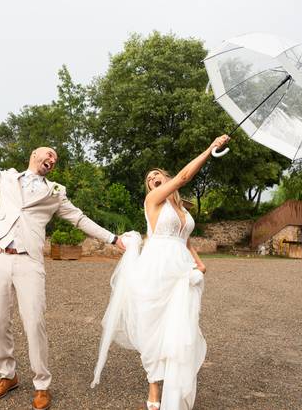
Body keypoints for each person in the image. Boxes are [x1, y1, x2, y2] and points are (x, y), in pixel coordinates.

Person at [0, 127, 125, 410]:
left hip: (29, 261)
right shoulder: (6, 178)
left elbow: (80, 219)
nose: (52, 159)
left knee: (34, 322)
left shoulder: (56, 192)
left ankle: (42, 384)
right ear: (34, 155)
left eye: (56, 159)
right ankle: (7, 375)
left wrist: (113, 238)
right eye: (49, 153)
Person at [92, 134, 230, 410]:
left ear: (165, 179)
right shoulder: (153, 200)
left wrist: (199, 262)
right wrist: (210, 149)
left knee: (179, 327)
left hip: (181, 270)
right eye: (149, 179)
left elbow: (185, 239)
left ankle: (175, 381)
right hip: (156, 267)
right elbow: (183, 178)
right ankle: (154, 386)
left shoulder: (180, 209)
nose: (152, 179)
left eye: (157, 175)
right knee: (153, 327)